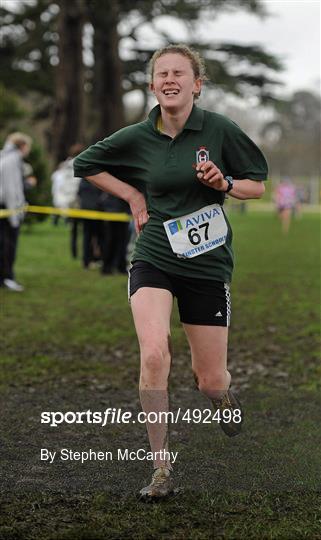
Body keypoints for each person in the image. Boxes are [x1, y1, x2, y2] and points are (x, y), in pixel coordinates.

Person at [74, 44, 268, 500]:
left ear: (196, 84)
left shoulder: (219, 129)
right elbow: (86, 164)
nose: (169, 79)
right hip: (155, 255)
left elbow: (257, 184)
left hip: (207, 264)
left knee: (210, 378)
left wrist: (225, 184)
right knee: (155, 354)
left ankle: (222, 398)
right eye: (161, 73)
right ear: (152, 84)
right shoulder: (138, 136)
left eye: (179, 73)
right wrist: (134, 197)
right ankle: (161, 467)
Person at [0, 132, 34, 292]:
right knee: (8, 246)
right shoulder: (12, 159)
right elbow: (11, 189)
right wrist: (15, 215)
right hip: (7, 210)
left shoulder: (5, 156)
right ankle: (7, 278)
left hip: (5, 208)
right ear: (22, 145)